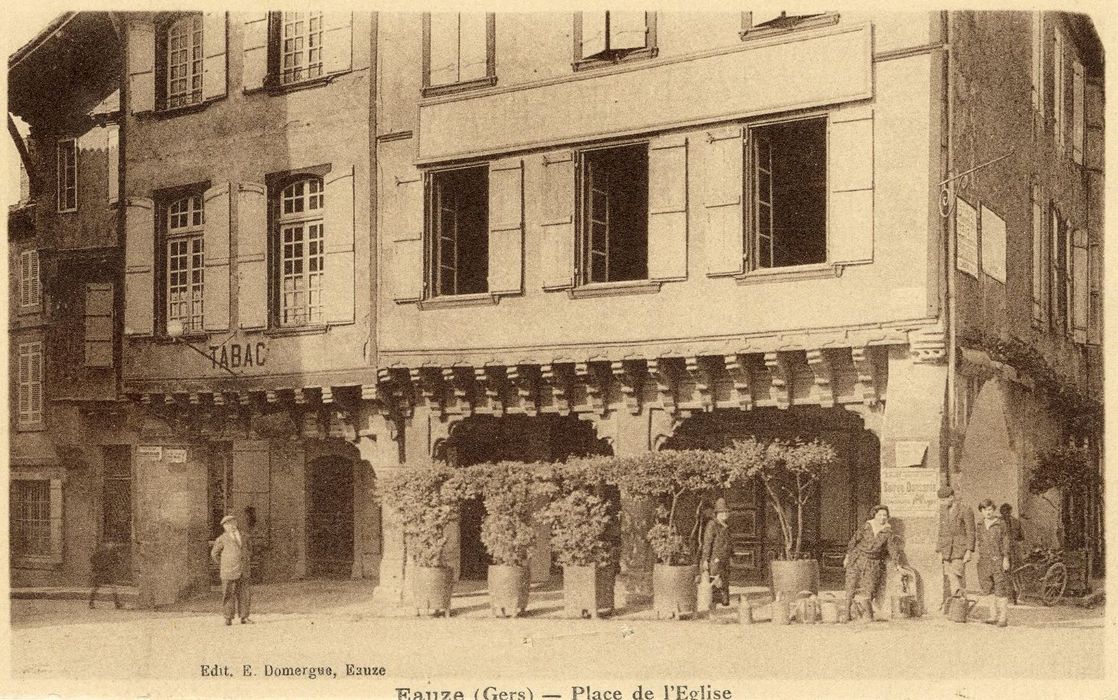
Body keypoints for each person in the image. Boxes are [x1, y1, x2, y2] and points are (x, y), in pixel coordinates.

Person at [843, 504, 904, 622]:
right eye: (880, 515)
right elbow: (853, 541)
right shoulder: (866, 526)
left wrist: (897, 565)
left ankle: (864, 615)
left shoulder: (888, 532)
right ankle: (846, 614)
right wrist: (847, 557)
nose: (882, 518)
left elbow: (892, 549)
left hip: (873, 563)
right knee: (851, 585)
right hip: (857, 558)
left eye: (885, 515)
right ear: (874, 515)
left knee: (868, 589)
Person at [935, 485, 975, 605]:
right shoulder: (943, 511)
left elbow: (971, 531)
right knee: (954, 577)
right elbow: (941, 532)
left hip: (959, 549)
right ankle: (961, 605)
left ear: (951, 497)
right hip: (946, 549)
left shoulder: (965, 509)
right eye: (940, 500)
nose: (942, 503)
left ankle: (959, 599)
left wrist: (969, 551)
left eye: (944, 500)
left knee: (955, 573)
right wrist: (939, 551)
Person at [211, 514, 252, 625]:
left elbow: (249, 550)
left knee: (245, 594)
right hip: (228, 571)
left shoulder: (245, 536)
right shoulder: (221, 539)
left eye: (233, 522)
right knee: (228, 594)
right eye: (228, 524)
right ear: (224, 527)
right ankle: (228, 618)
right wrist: (224, 564)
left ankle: (244, 617)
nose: (231, 525)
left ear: (236, 523)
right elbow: (214, 554)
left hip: (243, 570)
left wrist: (245, 562)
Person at [977, 499, 1012, 627]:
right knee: (988, 589)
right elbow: (980, 542)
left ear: (994, 510)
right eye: (985, 510)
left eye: (990, 509)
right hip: (984, 562)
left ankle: (1003, 617)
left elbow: (1005, 542)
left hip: (998, 560)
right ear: (981, 511)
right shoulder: (980, 525)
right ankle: (993, 615)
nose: (988, 512)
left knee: (1000, 589)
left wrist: (1006, 558)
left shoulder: (1000, 524)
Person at [700, 497, 732, 608]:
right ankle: (712, 608)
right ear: (717, 513)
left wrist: (731, 554)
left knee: (724, 582)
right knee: (714, 583)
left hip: (724, 561)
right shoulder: (712, 525)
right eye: (722, 512)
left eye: (726, 512)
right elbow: (707, 543)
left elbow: (729, 543)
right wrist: (705, 560)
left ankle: (723, 605)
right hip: (714, 560)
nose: (724, 514)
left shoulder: (726, 526)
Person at [1000, 503, 1025, 603]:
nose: (1006, 514)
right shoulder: (1015, 521)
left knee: (1012, 572)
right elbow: (1021, 537)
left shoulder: (999, 522)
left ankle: (1015, 595)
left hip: (1011, 550)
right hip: (1012, 550)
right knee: (1014, 572)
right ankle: (1014, 595)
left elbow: (1021, 537)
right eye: (1005, 512)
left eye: (1007, 512)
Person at [89, 542, 121, 609]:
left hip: (109, 571)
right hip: (100, 571)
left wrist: (113, 565)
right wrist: (97, 567)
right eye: (109, 543)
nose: (110, 545)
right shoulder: (100, 552)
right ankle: (91, 602)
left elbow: (118, 561)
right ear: (105, 544)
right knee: (96, 587)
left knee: (113, 586)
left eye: (112, 543)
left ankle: (117, 603)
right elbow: (92, 559)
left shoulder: (113, 552)